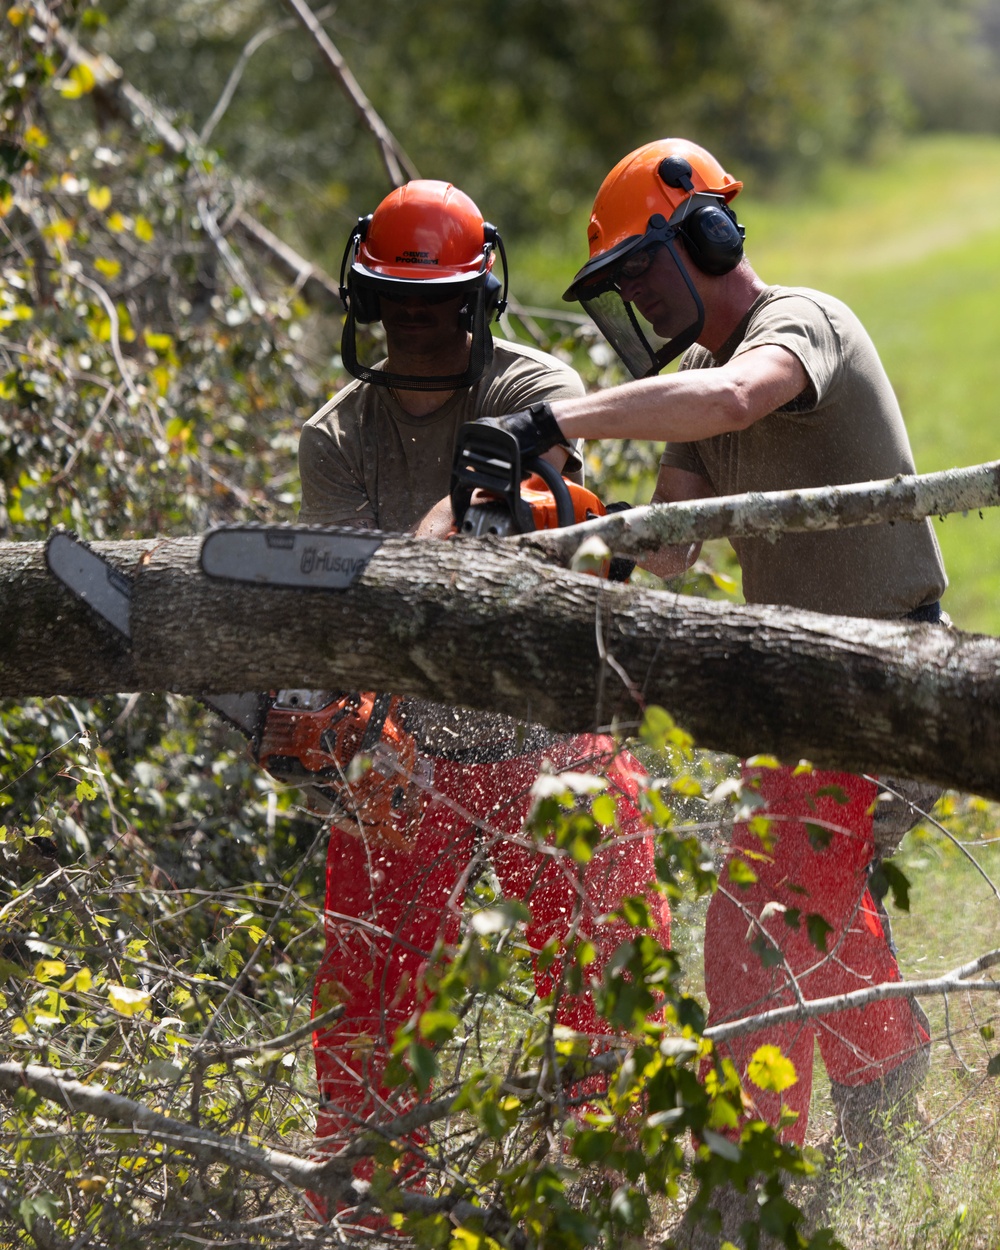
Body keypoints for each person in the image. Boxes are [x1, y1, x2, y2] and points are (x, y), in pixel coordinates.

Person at [479, 138, 947, 1170]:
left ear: (708, 233)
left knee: (752, 917)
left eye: (643, 270)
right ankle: (886, 1067)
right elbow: (675, 546)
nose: (639, 299)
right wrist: (560, 528)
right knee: (799, 894)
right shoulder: (693, 376)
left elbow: (740, 399)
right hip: (800, 688)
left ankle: (745, 1174)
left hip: (892, 675)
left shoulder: (800, 326)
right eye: (623, 285)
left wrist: (552, 415)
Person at [295, 179, 671, 1217]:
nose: (416, 322)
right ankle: (369, 1208)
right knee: (364, 1002)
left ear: (475, 299)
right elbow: (347, 595)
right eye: (396, 302)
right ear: (365, 303)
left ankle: (610, 1196)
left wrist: (449, 526)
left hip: (550, 733)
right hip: (409, 742)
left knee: (606, 981)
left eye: (437, 301)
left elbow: (548, 508)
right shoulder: (336, 432)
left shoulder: (531, 385)